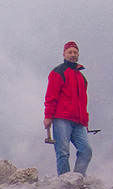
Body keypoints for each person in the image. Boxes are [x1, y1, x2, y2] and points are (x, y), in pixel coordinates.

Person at [44, 41, 92, 176]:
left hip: (79, 121)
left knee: (86, 151)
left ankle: (76, 179)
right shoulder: (58, 72)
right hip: (62, 118)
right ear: (64, 54)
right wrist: (48, 116)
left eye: (75, 52)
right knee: (63, 152)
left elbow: (84, 102)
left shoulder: (82, 78)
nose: (73, 55)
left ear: (78, 55)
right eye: (70, 52)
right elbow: (51, 96)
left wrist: (85, 122)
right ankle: (65, 184)